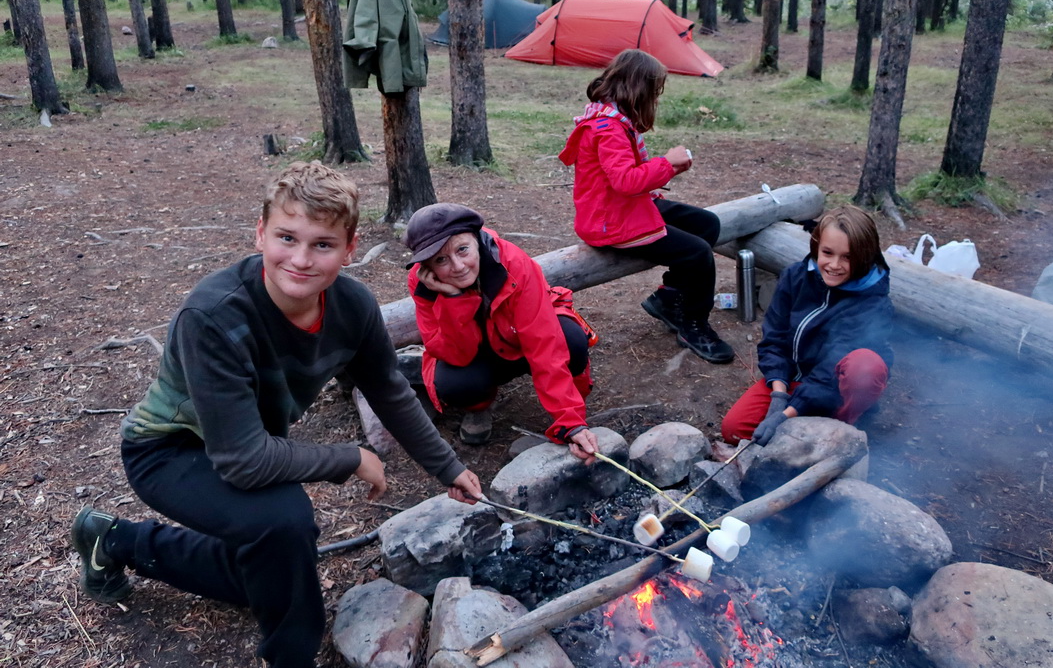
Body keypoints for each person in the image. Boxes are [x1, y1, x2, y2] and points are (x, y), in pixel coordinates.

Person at [70, 162, 482, 668]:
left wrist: (450, 469)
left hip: (245, 441)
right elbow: (242, 461)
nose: (301, 260)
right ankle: (291, 656)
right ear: (260, 232)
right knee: (283, 524)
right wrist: (350, 457)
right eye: (287, 237)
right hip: (168, 451)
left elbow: (389, 390)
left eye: (323, 244)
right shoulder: (214, 315)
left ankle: (114, 539)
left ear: (350, 248)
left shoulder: (352, 306)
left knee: (272, 573)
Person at [558, 48, 734, 364]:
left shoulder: (614, 119)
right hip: (609, 222)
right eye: (655, 92)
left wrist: (670, 166)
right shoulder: (608, 129)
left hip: (622, 207)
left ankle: (669, 297)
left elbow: (625, 179)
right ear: (640, 90)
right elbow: (625, 181)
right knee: (697, 253)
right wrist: (667, 163)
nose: (656, 99)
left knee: (707, 224)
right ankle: (693, 324)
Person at [404, 202, 599, 458]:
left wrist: (570, 421)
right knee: (454, 383)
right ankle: (479, 406)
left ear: (476, 240)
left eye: (463, 250)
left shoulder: (513, 263)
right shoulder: (423, 285)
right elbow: (453, 355)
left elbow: (543, 341)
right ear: (428, 266)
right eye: (441, 259)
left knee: (570, 340)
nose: (459, 266)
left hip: (516, 337)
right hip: (476, 353)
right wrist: (454, 299)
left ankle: (569, 396)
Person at [721, 206, 894, 445]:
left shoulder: (872, 302)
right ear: (816, 247)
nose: (834, 264)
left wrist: (784, 416)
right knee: (734, 429)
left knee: (865, 366)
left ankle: (845, 422)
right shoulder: (795, 277)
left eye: (848, 257)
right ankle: (804, 419)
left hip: (837, 387)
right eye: (828, 252)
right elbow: (775, 340)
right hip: (795, 379)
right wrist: (779, 396)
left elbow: (830, 369)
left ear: (864, 256)